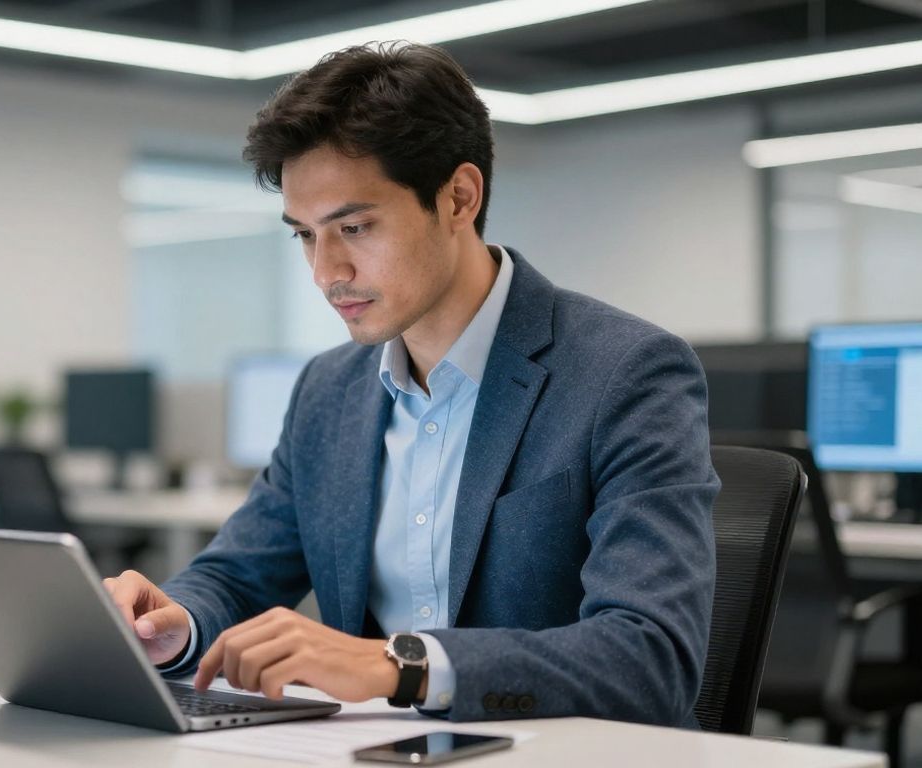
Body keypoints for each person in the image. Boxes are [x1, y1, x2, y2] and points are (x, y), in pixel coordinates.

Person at [104, 41, 718, 727]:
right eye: (305, 236)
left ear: (458, 197)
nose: (325, 271)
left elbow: (652, 656)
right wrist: (173, 620)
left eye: (355, 227)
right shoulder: (328, 390)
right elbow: (238, 572)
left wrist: (401, 667)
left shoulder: (625, 372)